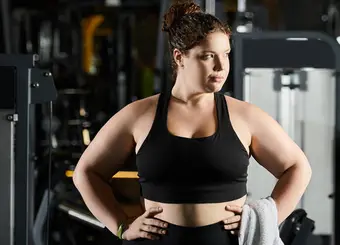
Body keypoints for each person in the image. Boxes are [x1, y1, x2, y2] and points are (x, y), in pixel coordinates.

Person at [72, 1, 312, 244]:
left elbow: (298, 167)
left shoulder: (245, 116)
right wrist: (122, 226)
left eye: (225, 54)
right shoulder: (138, 115)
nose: (221, 66)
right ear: (180, 57)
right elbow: (86, 173)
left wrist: (265, 220)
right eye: (208, 56)